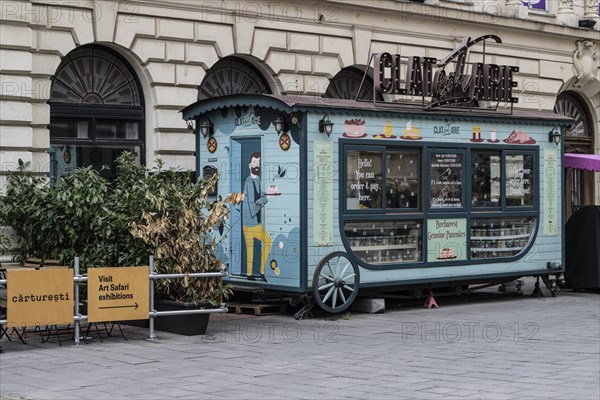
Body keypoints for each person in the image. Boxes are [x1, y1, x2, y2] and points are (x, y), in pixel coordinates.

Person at [242, 152, 272, 281]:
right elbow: (252, 203)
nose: (256, 165)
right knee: (262, 243)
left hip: (254, 221)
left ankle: (255, 273)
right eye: (254, 163)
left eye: (258, 163)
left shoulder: (258, 180)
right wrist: (264, 199)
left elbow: (259, 198)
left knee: (254, 247)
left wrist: (264, 197)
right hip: (250, 222)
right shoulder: (248, 182)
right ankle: (257, 273)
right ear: (250, 165)